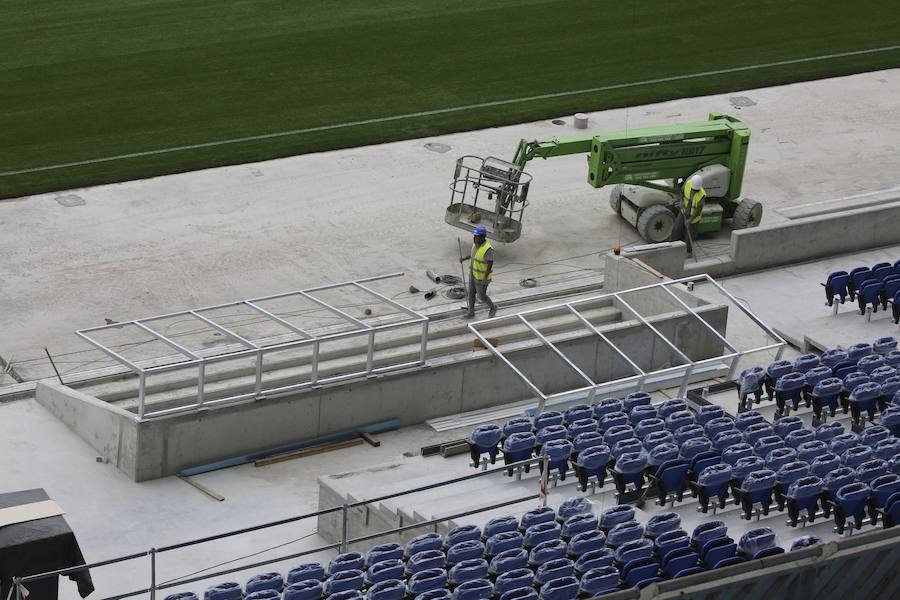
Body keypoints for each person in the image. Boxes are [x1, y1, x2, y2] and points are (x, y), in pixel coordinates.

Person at [460, 226, 498, 318]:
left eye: (476, 236)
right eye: (474, 236)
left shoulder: (488, 249)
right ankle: (471, 312)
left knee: (481, 296)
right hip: (472, 274)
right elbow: (473, 255)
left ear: (482, 237)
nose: (474, 238)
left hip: (481, 278)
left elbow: (490, 264)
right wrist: (464, 258)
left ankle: (493, 307)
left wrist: (485, 278)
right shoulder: (475, 244)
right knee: (471, 293)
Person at [669, 174, 706, 256]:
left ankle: (688, 252)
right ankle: (671, 246)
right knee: (676, 228)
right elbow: (681, 192)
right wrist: (682, 202)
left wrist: (690, 220)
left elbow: (698, 210)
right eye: (693, 189)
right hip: (683, 212)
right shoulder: (689, 183)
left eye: (696, 190)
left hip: (694, 218)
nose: (694, 190)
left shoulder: (702, 194)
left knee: (689, 236)